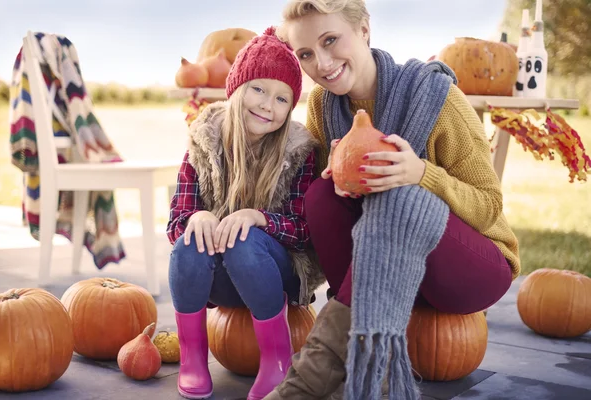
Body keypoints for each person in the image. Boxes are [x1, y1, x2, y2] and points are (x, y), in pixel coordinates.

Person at [264, 1, 521, 399]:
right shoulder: (323, 105)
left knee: (398, 197)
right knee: (322, 194)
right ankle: (365, 361)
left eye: (331, 40)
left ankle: (309, 381)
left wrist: (421, 174)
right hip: (389, 272)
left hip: (471, 269)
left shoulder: (437, 98)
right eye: (307, 54)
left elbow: (489, 206)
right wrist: (337, 173)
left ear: (364, 29)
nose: (323, 62)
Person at [166, 27, 324, 400]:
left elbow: (304, 233)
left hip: (274, 276)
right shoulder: (203, 144)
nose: (268, 105)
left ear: (290, 107)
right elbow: (175, 222)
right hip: (220, 281)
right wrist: (196, 219)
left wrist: (260, 219)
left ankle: (276, 358)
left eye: (282, 98)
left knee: (244, 240)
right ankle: (192, 357)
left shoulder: (299, 152)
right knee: (189, 243)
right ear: (236, 89)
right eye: (258, 89)